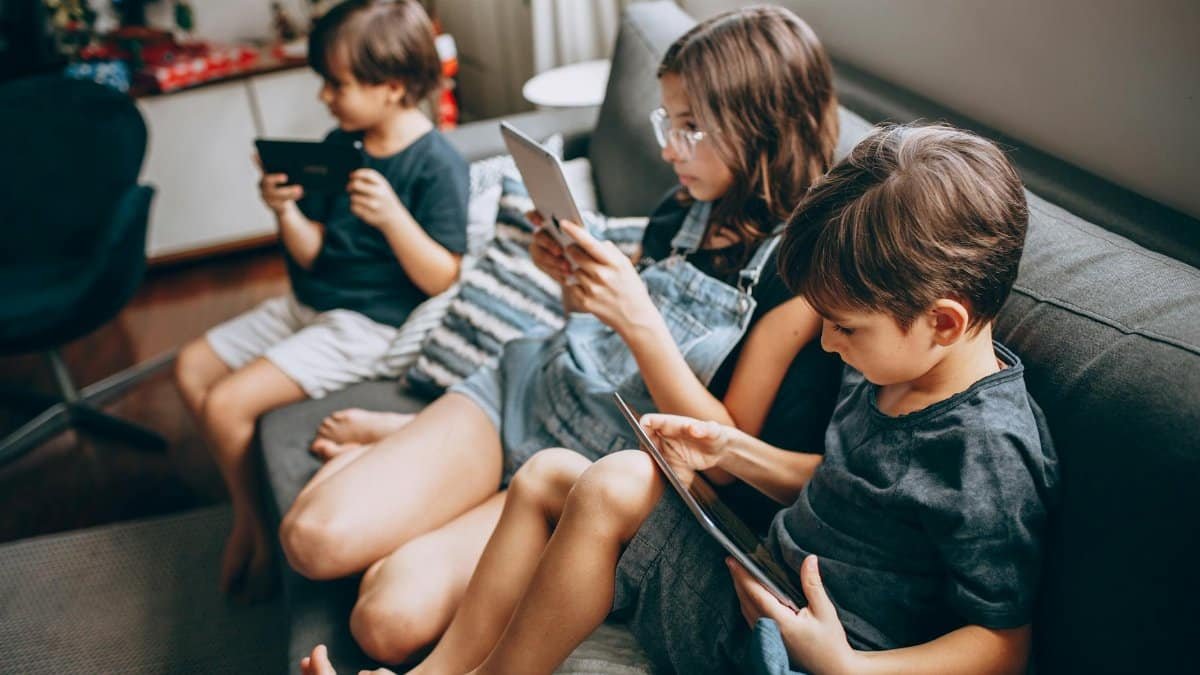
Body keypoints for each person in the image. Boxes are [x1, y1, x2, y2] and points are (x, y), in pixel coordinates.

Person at [318, 123, 1060, 675]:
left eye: (843, 328)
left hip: (805, 652)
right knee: (552, 472)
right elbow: (843, 484)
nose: (828, 345)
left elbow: (1002, 641)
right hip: (762, 583)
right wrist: (732, 448)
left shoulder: (989, 449)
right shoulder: (899, 365)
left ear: (945, 321)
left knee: (611, 480)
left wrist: (850, 666)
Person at [280, 6, 844, 664]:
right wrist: (573, 283)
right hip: (536, 390)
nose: (668, 149)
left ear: (764, 123)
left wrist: (637, 319)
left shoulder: (797, 279)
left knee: (385, 620)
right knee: (310, 539)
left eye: (690, 127)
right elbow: (596, 334)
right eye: (669, 123)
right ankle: (418, 458)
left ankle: (421, 468)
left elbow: (717, 454)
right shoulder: (685, 209)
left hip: (584, 460)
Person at [172, 0, 468, 601]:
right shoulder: (343, 143)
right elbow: (312, 254)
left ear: (391, 87)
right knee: (191, 367)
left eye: (337, 84)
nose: (324, 97)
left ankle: (250, 528)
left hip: (367, 322)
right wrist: (283, 209)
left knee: (227, 405)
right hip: (311, 301)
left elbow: (443, 277)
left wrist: (393, 220)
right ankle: (250, 498)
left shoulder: (437, 164)